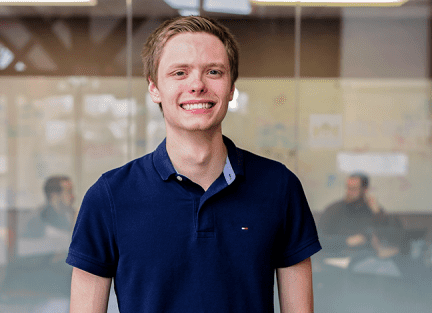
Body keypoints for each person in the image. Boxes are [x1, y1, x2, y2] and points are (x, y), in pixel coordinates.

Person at [67, 16, 321, 313]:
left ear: (231, 88)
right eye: (179, 73)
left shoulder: (279, 186)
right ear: (154, 88)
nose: (197, 85)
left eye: (213, 71)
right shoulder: (109, 196)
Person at [0, 175, 75, 304]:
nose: (72, 197)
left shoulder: (61, 215)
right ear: (54, 196)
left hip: (46, 267)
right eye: (68, 192)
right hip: (33, 271)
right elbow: (62, 244)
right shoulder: (40, 217)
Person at [318, 173, 401, 259]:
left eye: (353, 189)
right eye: (348, 188)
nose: (349, 192)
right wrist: (346, 241)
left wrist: (377, 212)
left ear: (364, 190)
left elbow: (391, 236)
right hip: (340, 257)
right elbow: (318, 240)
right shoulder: (334, 209)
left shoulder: (372, 210)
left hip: (369, 258)